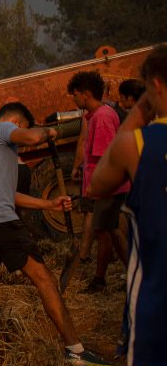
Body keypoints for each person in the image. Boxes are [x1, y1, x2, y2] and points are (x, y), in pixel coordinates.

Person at [0, 101, 114, 366]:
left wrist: (48, 204)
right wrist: (47, 133)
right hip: (0, 221)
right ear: (16, 123)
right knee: (44, 278)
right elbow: (30, 137)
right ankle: (75, 349)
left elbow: (8, 195)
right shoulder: (3, 129)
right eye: (22, 128)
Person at [88, 45, 167, 366]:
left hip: (160, 307)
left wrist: (139, 110)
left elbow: (100, 185)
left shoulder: (138, 144)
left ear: (154, 86)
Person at [68, 70, 129, 293]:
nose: (73, 100)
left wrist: (96, 186)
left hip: (106, 187)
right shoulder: (97, 115)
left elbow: (106, 158)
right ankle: (128, 273)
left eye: (75, 95)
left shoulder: (102, 117)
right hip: (105, 185)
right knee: (109, 230)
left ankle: (103, 279)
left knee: (105, 231)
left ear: (85, 95)